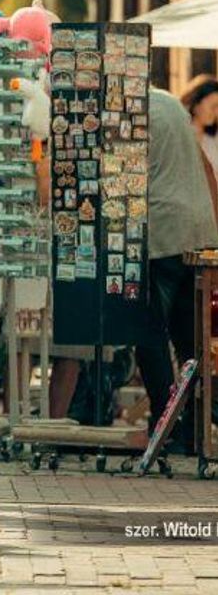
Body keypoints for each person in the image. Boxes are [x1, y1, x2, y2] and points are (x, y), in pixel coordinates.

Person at [134, 88, 218, 446]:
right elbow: (206, 167)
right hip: (198, 229)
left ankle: (165, 422)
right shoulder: (169, 103)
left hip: (163, 230)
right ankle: (194, 428)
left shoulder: (130, 110)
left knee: (149, 330)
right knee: (191, 339)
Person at [180, 75, 218, 182]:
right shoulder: (180, 135)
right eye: (213, 106)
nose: (216, 112)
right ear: (196, 103)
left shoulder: (213, 139)